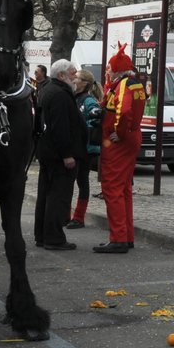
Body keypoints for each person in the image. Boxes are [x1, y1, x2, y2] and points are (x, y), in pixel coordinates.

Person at [95, 45, 145, 254]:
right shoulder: (134, 84)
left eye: (109, 68)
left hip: (117, 142)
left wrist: (119, 132)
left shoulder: (123, 85)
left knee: (112, 188)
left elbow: (124, 112)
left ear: (117, 70)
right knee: (123, 188)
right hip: (129, 139)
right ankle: (126, 235)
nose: (106, 71)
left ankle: (118, 238)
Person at [33, 59, 85, 251]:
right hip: (59, 156)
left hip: (47, 152)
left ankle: (42, 235)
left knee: (45, 195)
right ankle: (54, 238)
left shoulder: (47, 90)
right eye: (73, 73)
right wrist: (67, 154)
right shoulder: (60, 95)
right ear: (62, 75)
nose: (76, 77)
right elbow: (60, 127)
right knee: (57, 196)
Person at [68, 68, 104, 230]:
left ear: (84, 83)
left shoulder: (87, 100)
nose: (73, 80)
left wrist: (85, 130)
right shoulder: (75, 97)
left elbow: (96, 114)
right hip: (77, 148)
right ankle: (71, 215)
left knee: (82, 182)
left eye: (76, 78)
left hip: (86, 150)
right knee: (75, 181)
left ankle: (79, 217)